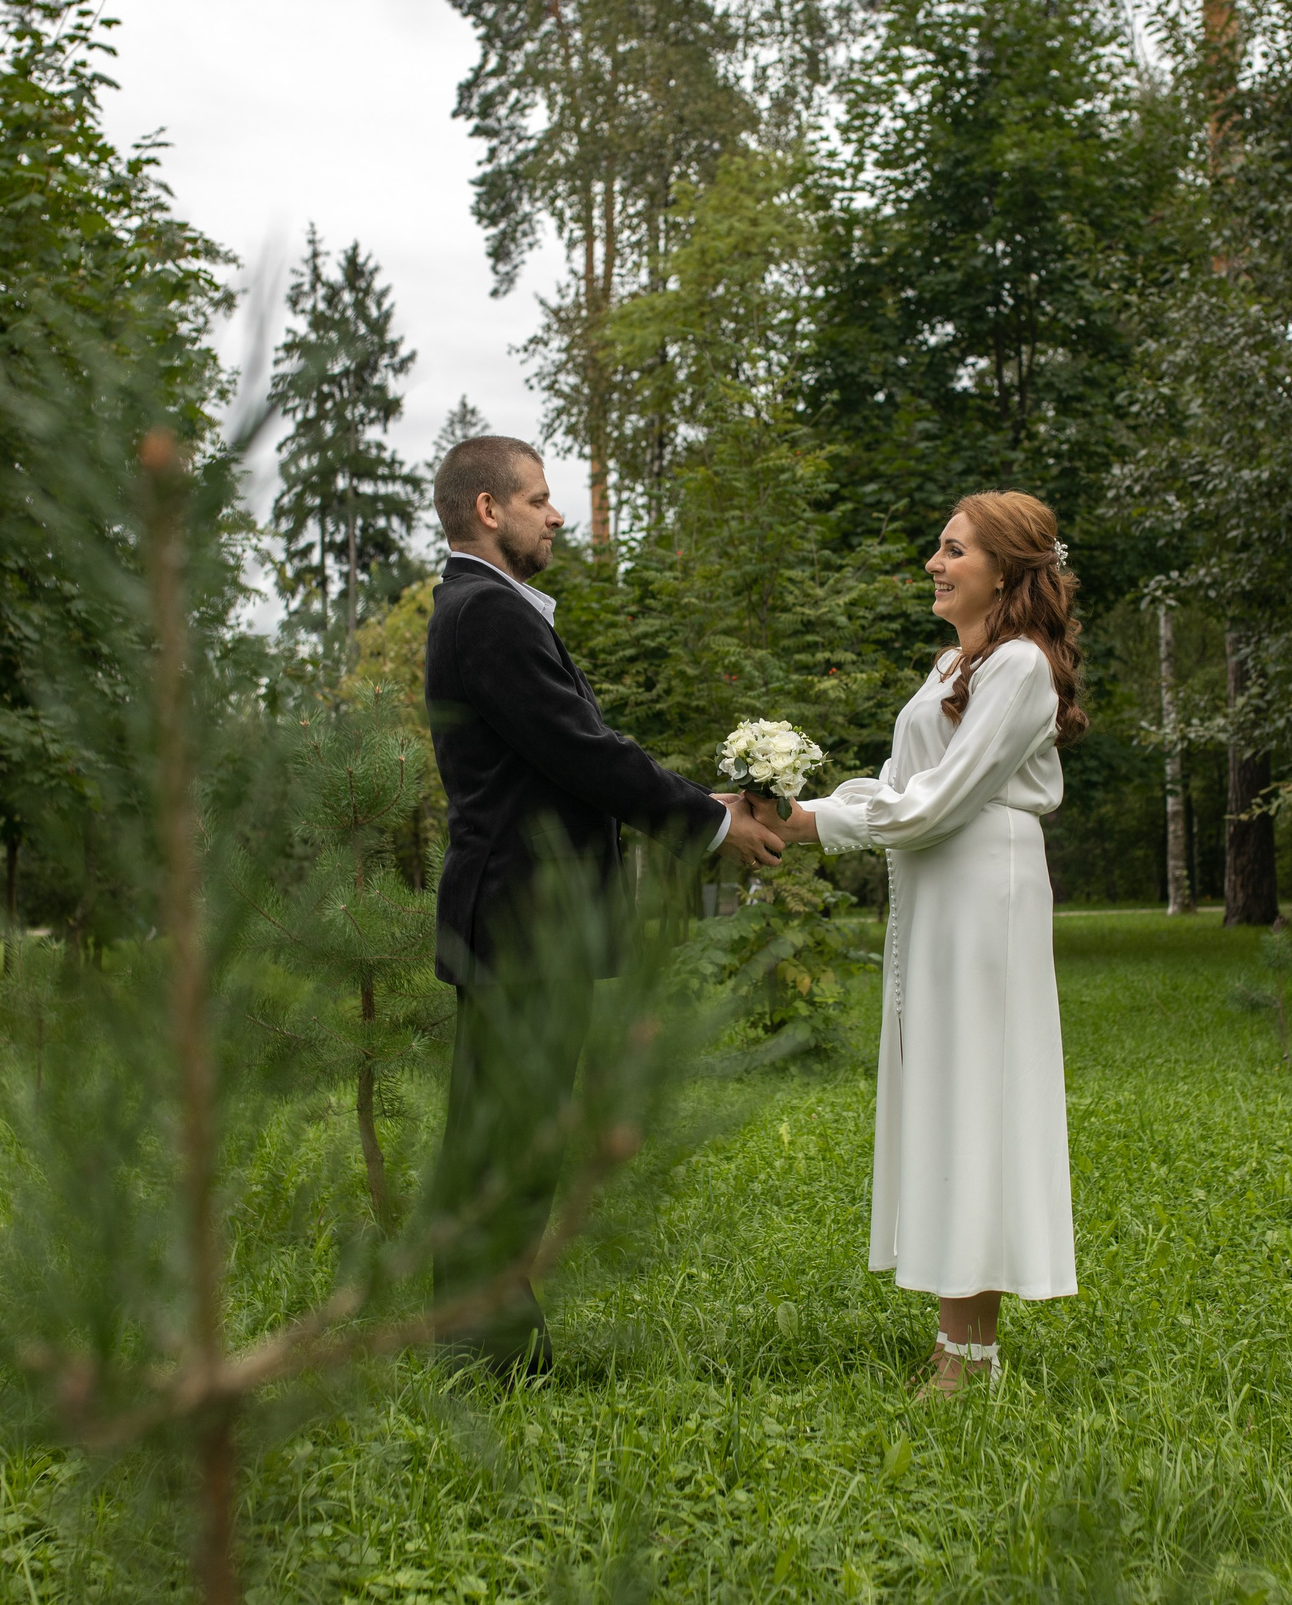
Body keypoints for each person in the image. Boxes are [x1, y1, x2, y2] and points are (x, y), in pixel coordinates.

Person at [421, 434, 784, 1375]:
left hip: (518, 915)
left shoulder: (486, 608)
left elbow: (569, 756)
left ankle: (477, 1332)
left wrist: (696, 801)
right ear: (489, 510)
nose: (555, 515)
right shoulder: (488, 613)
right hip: (524, 920)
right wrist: (708, 824)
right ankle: (486, 1348)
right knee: (512, 1132)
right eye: (539, 499)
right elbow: (582, 751)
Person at [751, 490, 1083, 1397]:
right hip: (936, 892)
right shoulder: (951, 665)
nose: (934, 563)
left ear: (1007, 570)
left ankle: (971, 1360)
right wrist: (789, 809)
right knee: (944, 1096)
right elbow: (900, 783)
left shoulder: (1019, 667)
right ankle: (954, 1341)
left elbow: (940, 801)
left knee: (977, 1097)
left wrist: (813, 829)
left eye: (953, 549)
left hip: (985, 895)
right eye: (937, 548)